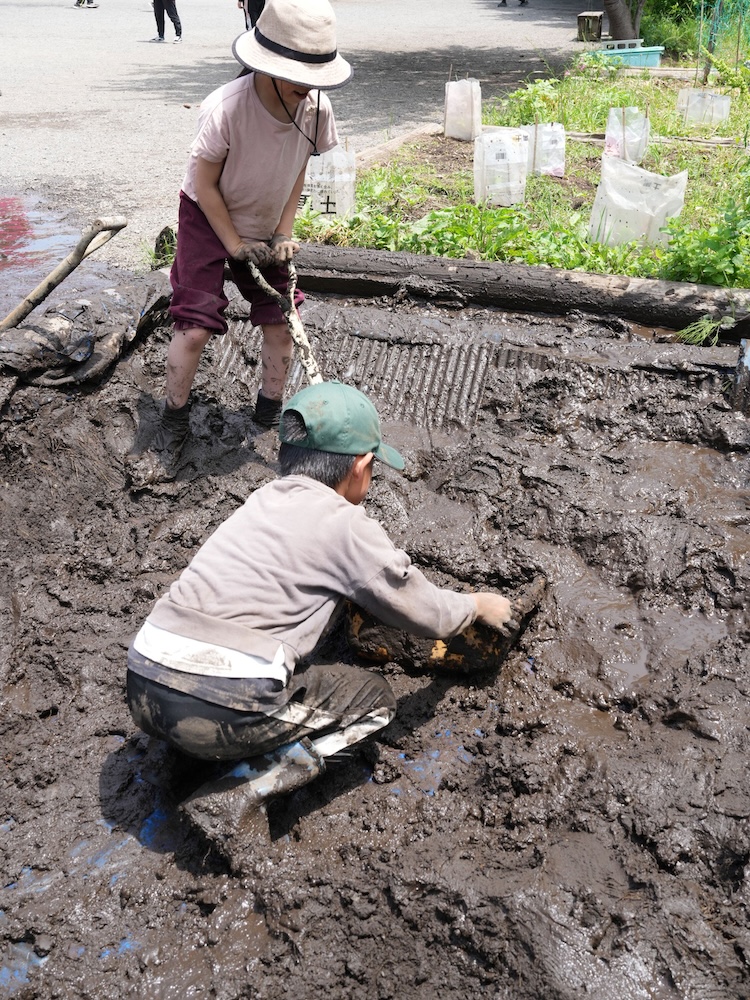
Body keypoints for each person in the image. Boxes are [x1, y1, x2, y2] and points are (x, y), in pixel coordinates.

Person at [126, 382, 515, 791]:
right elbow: (429, 614)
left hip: (142, 686)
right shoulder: (344, 524)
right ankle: (244, 788)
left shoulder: (260, 500)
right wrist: (476, 605)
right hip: (225, 702)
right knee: (375, 703)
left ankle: (193, 751)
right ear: (361, 467)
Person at [147, 0, 351, 474]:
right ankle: (173, 418)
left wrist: (282, 230)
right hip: (207, 212)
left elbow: (297, 168)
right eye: (299, 81)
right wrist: (235, 245)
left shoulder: (316, 108)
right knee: (195, 324)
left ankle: (269, 409)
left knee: (282, 318)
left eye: (314, 82)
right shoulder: (226, 108)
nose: (308, 91)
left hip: (265, 215)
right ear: (268, 65)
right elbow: (204, 185)